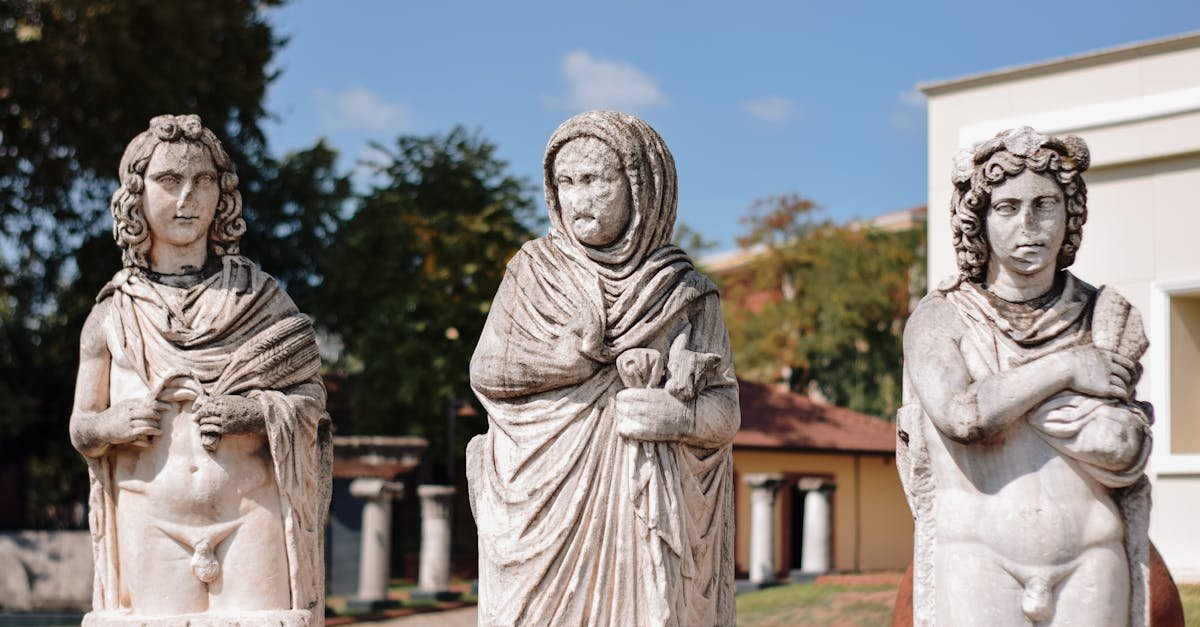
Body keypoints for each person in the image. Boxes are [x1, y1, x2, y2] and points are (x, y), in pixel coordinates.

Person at [467, 111, 739, 626]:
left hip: (643, 513)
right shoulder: (532, 273)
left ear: (642, 188)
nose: (577, 199)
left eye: (594, 180)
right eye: (565, 183)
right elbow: (486, 371)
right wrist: (564, 360)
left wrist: (679, 420)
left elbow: (726, 409)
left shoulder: (683, 293)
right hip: (539, 499)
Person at [69, 114, 330, 624]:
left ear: (223, 195)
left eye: (203, 181)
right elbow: (82, 426)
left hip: (250, 512)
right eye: (169, 181)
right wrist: (110, 425)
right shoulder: (112, 314)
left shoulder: (262, 302)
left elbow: (312, 403)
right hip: (150, 518)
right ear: (136, 196)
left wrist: (253, 412)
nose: (187, 197)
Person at [898, 127, 1152, 626]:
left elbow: (1120, 445)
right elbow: (963, 416)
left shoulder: (1108, 318)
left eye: (1045, 205)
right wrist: (1068, 368)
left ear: (1070, 213)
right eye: (1007, 208)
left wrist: (1008, 397)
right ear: (979, 220)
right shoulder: (940, 318)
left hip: (1092, 557)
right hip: (978, 560)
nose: (1028, 225)